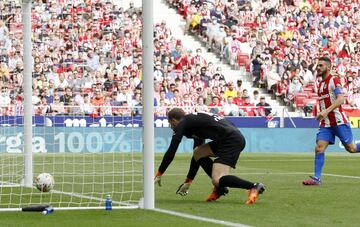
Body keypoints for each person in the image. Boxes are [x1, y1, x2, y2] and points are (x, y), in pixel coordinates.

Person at [154, 108, 265, 204]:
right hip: (227, 138)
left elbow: (172, 150)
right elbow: (197, 156)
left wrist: (159, 173)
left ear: (173, 120)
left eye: (170, 123)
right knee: (198, 152)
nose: (171, 127)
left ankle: (254, 186)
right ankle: (219, 190)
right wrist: (188, 181)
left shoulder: (183, 123)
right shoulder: (193, 123)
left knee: (218, 179)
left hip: (230, 141)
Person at [303, 56, 360, 186]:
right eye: (317, 65)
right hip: (326, 124)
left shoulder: (334, 80)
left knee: (351, 148)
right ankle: (317, 179)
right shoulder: (321, 84)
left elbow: (341, 99)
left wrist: (326, 111)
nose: (318, 68)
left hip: (339, 121)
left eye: (321, 66)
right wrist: (320, 112)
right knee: (319, 148)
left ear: (328, 67)